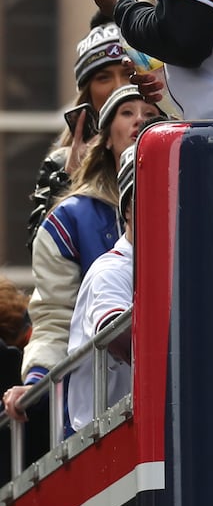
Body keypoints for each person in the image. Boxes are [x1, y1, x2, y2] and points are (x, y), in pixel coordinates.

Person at [4, 86, 162, 420]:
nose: (139, 122)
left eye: (150, 114)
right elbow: (53, 316)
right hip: (99, 411)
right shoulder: (69, 220)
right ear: (106, 137)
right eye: (127, 113)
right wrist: (35, 379)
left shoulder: (197, 205)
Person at [26, 20, 135, 249]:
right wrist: (70, 181)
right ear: (87, 93)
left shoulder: (174, 145)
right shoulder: (60, 163)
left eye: (127, 73)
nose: (119, 86)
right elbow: (43, 256)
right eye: (104, 77)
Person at [67, 144, 137, 431]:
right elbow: (123, 340)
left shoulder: (180, 270)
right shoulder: (111, 271)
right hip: (107, 439)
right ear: (129, 208)